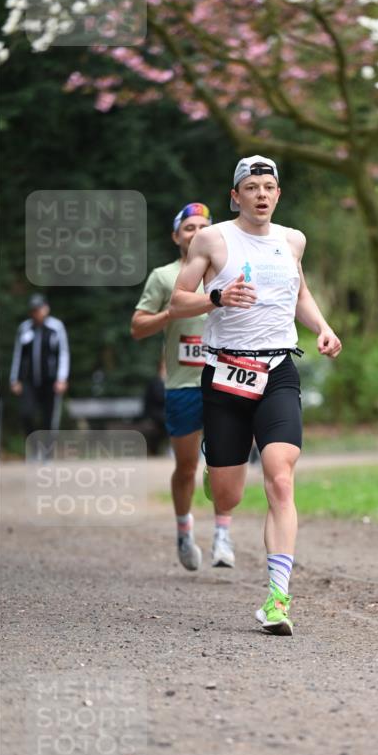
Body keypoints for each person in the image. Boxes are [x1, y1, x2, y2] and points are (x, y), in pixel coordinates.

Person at [170, 156, 342, 635]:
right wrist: (216, 297)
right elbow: (178, 301)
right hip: (225, 373)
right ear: (236, 196)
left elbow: (299, 293)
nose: (261, 194)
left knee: (280, 478)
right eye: (251, 187)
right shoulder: (212, 239)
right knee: (227, 497)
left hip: (278, 370)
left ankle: (277, 600)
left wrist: (323, 327)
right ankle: (216, 468)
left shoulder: (292, 240)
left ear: (278, 194)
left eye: (268, 187)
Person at [131, 202, 236, 572]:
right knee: (187, 466)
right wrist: (170, 313)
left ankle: (222, 534)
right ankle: (184, 531)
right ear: (176, 236)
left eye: (203, 227)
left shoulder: (227, 270)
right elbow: (137, 327)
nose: (196, 233)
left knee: (224, 462)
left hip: (225, 378)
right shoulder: (164, 277)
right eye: (189, 228)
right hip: (183, 385)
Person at [10, 293, 70, 440]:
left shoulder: (56, 327)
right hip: (29, 380)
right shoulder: (24, 328)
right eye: (34, 310)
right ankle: (33, 445)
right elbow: (18, 354)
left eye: (39, 309)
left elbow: (63, 353)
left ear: (46, 308)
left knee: (48, 417)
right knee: (26, 413)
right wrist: (14, 379)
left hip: (50, 380)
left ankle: (47, 450)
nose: (36, 313)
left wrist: (62, 378)